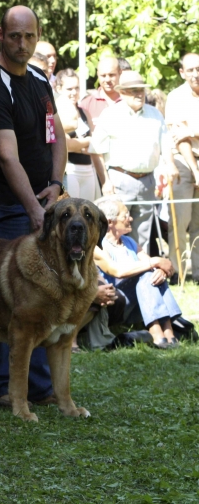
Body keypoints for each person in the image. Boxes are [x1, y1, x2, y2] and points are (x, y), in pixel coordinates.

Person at [0, 5, 67, 404]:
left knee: (41, 294)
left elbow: (55, 134)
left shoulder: (40, 77)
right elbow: (7, 158)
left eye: (29, 36)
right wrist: (35, 211)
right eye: (14, 37)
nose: (22, 45)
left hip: (39, 203)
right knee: (3, 298)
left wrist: (56, 185)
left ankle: (35, 388)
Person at [92, 70, 177, 251]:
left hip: (147, 180)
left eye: (141, 90)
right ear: (122, 93)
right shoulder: (110, 114)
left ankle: (141, 273)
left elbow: (166, 143)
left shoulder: (155, 114)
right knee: (113, 229)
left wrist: (170, 164)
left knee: (143, 231)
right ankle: (114, 273)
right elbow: (96, 150)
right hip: (119, 179)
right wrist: (106, 181)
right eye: (133, 90)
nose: (139, 94)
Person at [94, 197, 181, 348]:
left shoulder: (129, 242)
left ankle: (167, 331)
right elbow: (117, 271)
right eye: (125, 215)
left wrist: (159, 270)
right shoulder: (98, 246)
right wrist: (154, 263)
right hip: (114, 303)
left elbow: (150, 264)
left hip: (140, 302)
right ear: (109, 222)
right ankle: (157, 331)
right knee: (145, 273)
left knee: (152, 274)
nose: (130, 218)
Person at [165, 53, 199, 285]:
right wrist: (196, 171)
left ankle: (198, 274)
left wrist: (193, 130)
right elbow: (181, 140)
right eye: (190, 70)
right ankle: (177, 273)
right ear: (182, 72)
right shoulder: (176, 97)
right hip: (184, 162)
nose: (195, 74)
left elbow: (189, 133)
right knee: (180, 220)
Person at [54, 68, 100, 200]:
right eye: (69, 89)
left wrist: (78, 145)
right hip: (70, 169)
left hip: (88, 169)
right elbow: (66, 145)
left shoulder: (85, 112)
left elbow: (96, 142)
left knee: (87, 213)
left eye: (77, 88)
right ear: (59, 89)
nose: (74, 92)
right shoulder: (57, 113)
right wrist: (87, 142)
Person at [79, 56, 122, 132]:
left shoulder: (129, 100)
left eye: (111, 75)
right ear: (98, 74)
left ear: (120, 73)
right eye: (103, 76)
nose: (107, 79)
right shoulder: (86, 104)